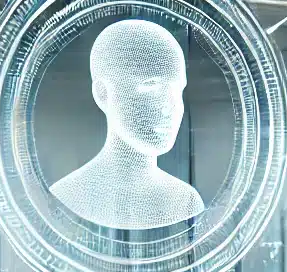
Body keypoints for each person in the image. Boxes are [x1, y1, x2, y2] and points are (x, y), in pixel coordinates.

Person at [49, 19, 202, 229]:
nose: (172, 107)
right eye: (151, 85)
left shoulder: (185, 202)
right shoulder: (65, 198)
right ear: (103, 94)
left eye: (178, 90)